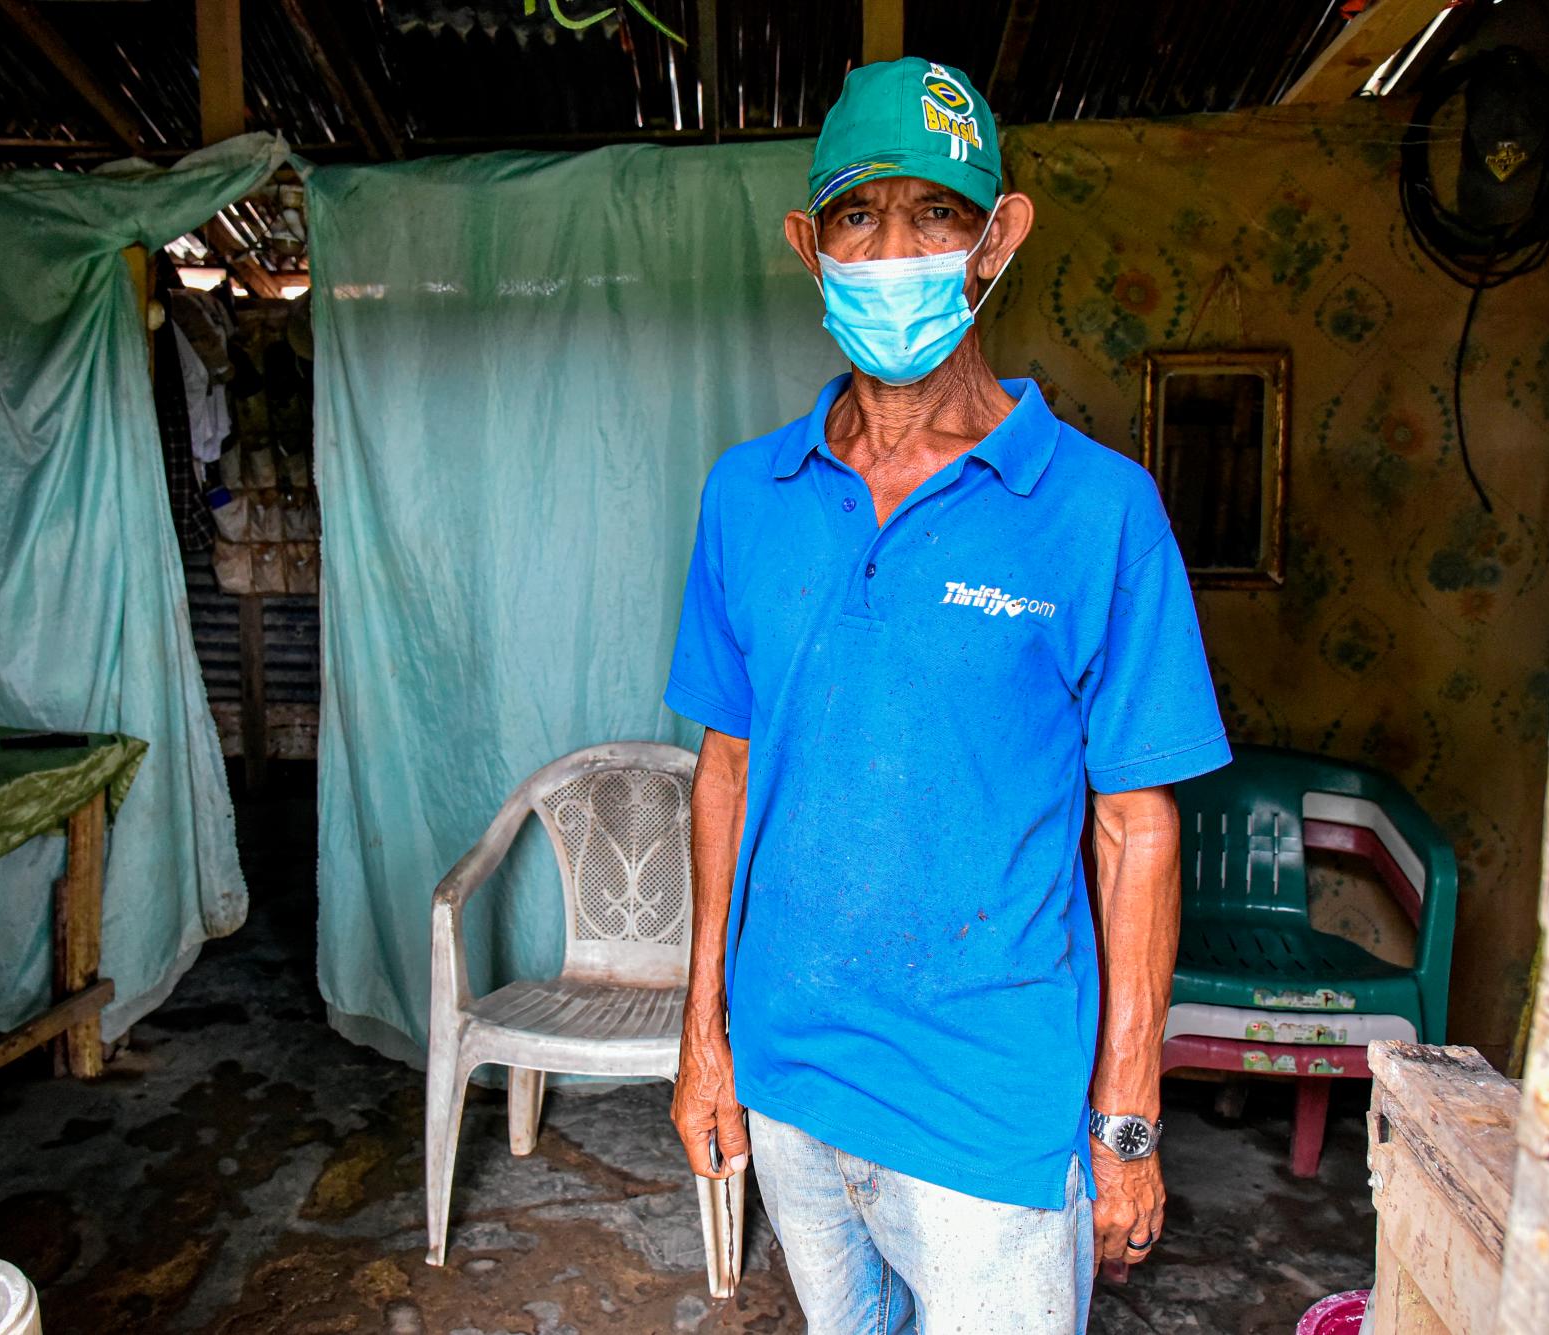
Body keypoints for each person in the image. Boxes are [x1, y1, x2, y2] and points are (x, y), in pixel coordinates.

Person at [662, 56, 1231, 1332]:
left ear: (997, 239)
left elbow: (1134, 828)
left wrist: (1125, 1121)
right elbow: (725, 770)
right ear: (809, 247)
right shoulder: (745, 496)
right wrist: (704, 1038)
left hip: (991, 1110)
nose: (890, 251)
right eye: (857, 215)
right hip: (792, 1079)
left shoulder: (1097, 511)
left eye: (935, 214)